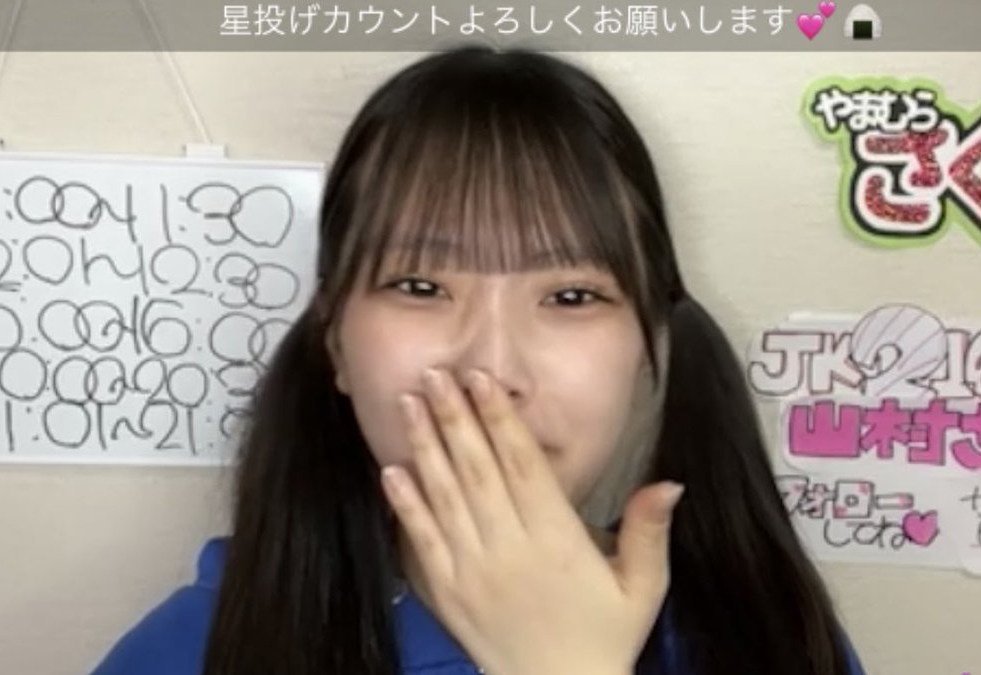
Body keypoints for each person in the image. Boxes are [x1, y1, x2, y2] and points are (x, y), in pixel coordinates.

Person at [90, 45, 867, 675]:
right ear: (334, 340)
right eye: (420, 286)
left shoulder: (769, 640)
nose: (490, 368)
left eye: (571, 296)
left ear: (647, 348)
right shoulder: (187, 653)